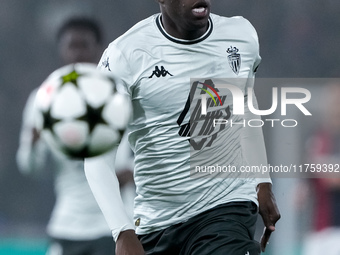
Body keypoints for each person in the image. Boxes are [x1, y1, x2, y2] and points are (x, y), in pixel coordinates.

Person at [84, 1, 280, 255]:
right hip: (157, 224)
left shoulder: (241, 36)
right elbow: (96, 155)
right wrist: (122, 232)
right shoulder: (125, 55)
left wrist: (262, 182)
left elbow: (244, 105)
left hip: (226, 208)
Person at [16, 16, 134, 255]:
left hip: (114, 222)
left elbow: (143, 147)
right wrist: (34, 141)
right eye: (72, 46)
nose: (78, 53)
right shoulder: (44, 98)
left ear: (98, 49)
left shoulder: (119, 93)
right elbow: (30, 167)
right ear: (61, 50)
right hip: (68, 223)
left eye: (84, 45)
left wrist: (132, 172)